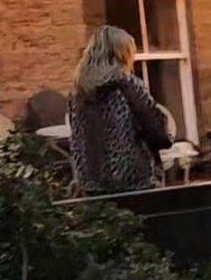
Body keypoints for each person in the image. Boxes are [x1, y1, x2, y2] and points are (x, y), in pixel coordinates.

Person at [68, 25, 173, 194]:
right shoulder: (129, 87)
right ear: (121, 55)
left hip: (91, 188)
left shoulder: (78, 94)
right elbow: (160, 135)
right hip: (134, 185)